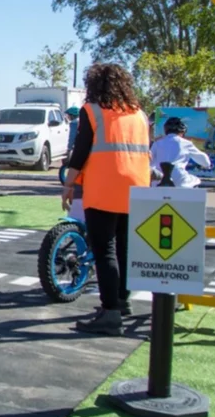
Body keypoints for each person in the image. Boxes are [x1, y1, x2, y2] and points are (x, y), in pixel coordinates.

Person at [62, 63, 150, 336]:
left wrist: (69, 183)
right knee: (124, 246)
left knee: (105, 250)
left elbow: (81, 151)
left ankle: (110, 312)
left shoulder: (93, 112)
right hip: (137, 187)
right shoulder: (139, 115)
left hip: (104, 188)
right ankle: (122, 302)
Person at [150, 117, 211, 189]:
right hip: (179, 178)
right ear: (183, 131)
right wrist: (206, 165)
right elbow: (205, 161)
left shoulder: (157, 143)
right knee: (195, 180)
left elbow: (150, 163)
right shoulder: (186, 143)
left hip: (159, 178)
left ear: (166, 130)